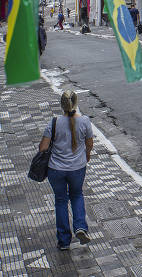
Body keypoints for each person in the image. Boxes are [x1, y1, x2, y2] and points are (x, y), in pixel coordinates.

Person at [39, 90, 93, 250]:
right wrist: (86, 155)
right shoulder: (85, 121)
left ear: (61, 105)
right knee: (77, 195)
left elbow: (43, 148)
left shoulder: (54, 122)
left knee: (61, 201)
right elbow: (89, 144)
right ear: (76, 104)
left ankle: (63, 241)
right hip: (77, 168)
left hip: (56, 170)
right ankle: (80, 227)